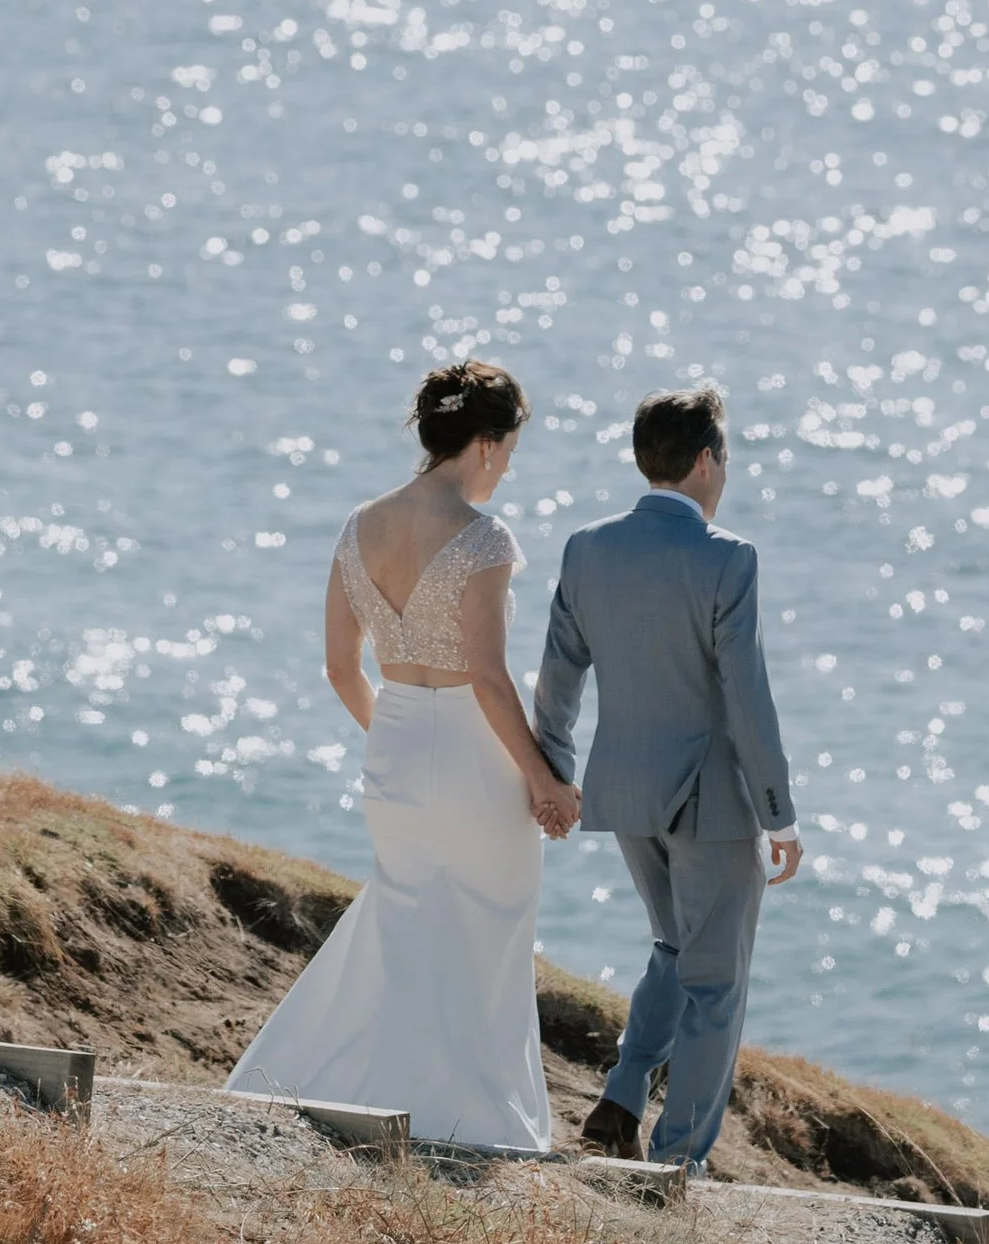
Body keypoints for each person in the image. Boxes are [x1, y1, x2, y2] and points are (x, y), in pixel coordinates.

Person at [226, 357, 579, 1149]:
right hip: (472, 755)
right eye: (513, 445)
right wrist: (543, 778)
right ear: (486, 443)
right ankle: (471, 1117)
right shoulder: (483, 537)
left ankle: (372, 1090)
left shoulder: (361, 524)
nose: (511, 463)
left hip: (394, 748)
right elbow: (488, 676)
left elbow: (339, 666)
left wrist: (394, 732)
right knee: (488, 934)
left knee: (409, 921)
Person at [530, 382, 801, 1171]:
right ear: (709, 461)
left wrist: (555, 766)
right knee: (717, 984)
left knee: (675, 947)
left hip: (625, 791)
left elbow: (557, 676)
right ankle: (674, 1163)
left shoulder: (588, 546)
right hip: (711, 803)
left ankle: (620, 1098)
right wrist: (780, 813)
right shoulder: (728, 557)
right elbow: (748, 696)